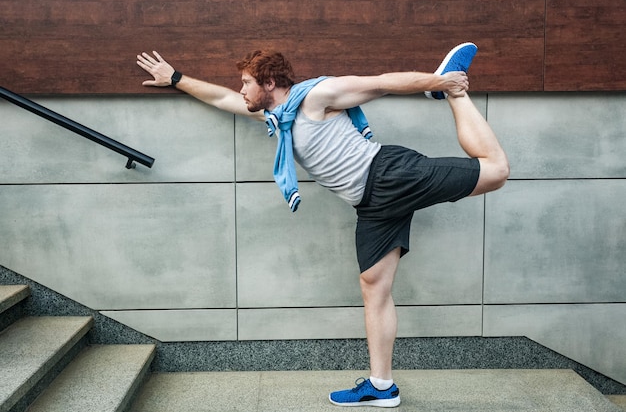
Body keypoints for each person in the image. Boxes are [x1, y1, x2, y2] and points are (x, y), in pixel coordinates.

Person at [136, 43, 509, 408]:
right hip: (372, 206)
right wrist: (176, 78)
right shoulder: (277, 117)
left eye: (247, 82)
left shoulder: (316, 96)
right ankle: (382, 387)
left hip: (389, 175)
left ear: (268, 83)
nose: (241, 90)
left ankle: (456, 92)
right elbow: (222, 100)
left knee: (495, 171)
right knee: (373, 287)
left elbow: (380, 83)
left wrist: (440, 83)